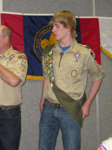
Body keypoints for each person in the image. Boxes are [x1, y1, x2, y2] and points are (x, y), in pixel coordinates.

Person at [39, 10, 105, 150]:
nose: (53, 30)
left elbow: (97, 77)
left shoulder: (84, 53)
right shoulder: (49, 53)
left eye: (57, 26)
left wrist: (87, 105)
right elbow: (47, 77)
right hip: (48, 109)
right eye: (53, 26)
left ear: (69, 27)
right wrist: (42, 101)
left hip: (70, 109)